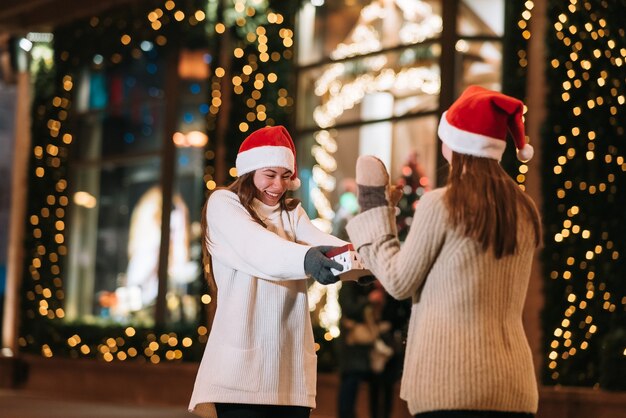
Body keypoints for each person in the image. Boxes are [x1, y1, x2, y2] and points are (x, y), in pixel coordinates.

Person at [345, 85, 542, 418]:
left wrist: (374, 210)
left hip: (452, 383)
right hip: (515, 387)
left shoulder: (442, 203)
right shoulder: (523, 209)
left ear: (453, 142)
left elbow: (397, 280)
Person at [188, 125, 347, 418]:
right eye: (270, 175)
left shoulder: (292, 213)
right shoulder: (224, 204)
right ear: (249, 172)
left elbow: (325, 244)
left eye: (286, 176)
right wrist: (309, 260)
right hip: (241, 377)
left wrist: (360, 261)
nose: (279, 185)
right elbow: (258, 248)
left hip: (290, 376)